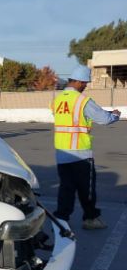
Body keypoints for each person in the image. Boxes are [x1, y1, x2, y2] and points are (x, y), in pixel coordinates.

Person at [52, 64, 121, 229]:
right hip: (81, 154)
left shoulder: (58, 99)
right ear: (79, 82)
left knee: (66, 188)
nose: (85, 86)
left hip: (62, 153)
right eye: (85, 83)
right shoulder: (82, 100)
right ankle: (90, 219)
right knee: (87, 190)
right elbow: (104, 119)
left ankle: (61, 219)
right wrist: (115, 115)